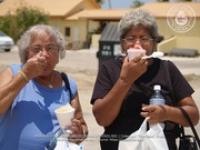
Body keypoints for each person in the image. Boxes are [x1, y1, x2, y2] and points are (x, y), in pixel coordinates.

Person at [90, 9, 199, 150]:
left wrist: (167, 112)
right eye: (130, 39)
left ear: (153, 43)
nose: (137, 45)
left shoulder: (167, 68)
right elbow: (102, 118)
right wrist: (125, 80)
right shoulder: (109, 69)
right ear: (122, 44)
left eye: (144, 38)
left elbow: (194, 116)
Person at [0, 24, 88, 150]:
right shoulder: (12, 73)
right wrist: (25, 75)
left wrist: (78, 133)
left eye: (51, 48)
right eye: (37, 49)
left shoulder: (68, 85)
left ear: (59, 54)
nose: (44, 55)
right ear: (27, 53)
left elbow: (83, 128)